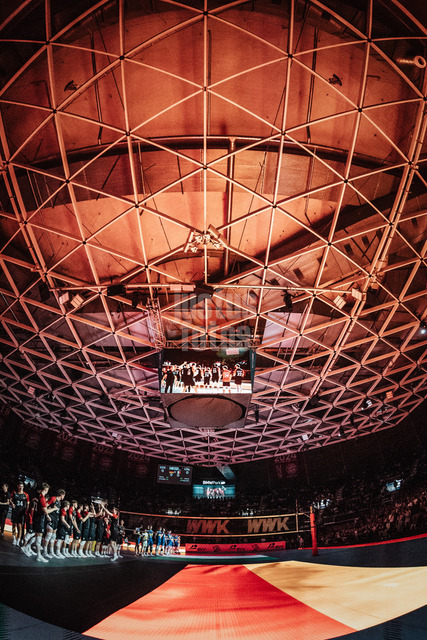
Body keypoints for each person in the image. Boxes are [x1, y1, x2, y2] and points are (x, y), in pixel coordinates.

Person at [10, 481, 29, 546]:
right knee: (14, 525)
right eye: (20, 486)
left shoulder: (26, 494)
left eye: (22, 486)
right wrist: (12, 504)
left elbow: (28, 504)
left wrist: (26, 511)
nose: (21, 488)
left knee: (20, 526)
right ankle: (14, 538)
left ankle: (18, 540)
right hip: (15, 511)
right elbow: (10, 500)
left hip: (21, 512)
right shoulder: (14, 493)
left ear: (23, 487)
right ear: (17, 486)